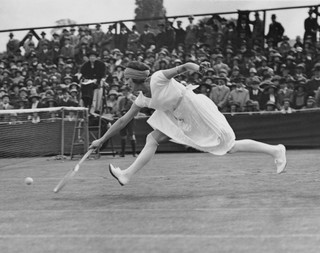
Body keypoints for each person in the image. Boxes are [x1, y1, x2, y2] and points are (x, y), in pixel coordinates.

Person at [88, 61, 287, 186]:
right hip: (175, 115)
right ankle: (127, 175)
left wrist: (199, 68)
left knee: (230, 146)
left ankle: (276, 150)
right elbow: (123, 121)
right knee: (152, 138)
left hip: (193, 107)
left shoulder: (158, 78)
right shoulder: (141, 99)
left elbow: (184, 67)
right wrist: (101, 140)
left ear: (137, 79)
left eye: (128, 80)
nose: (126, 84)